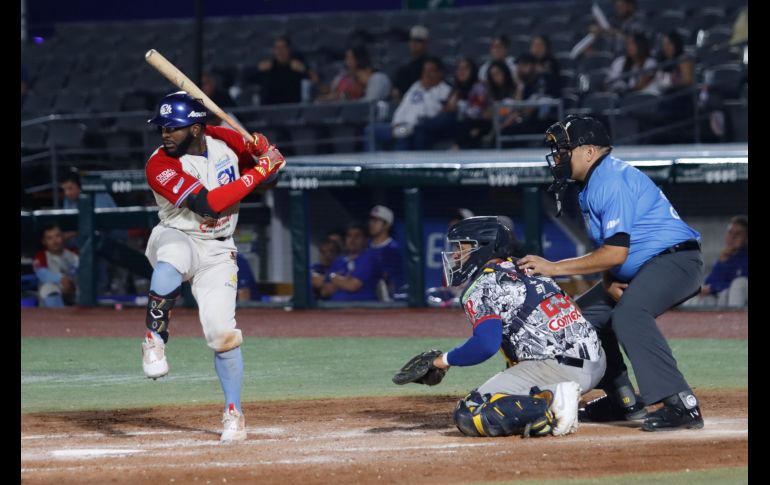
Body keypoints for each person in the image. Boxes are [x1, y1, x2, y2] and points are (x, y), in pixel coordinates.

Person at [517, 115, 705, 431]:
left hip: (677, 261)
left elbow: (615, 252)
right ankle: (623, 400)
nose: (558, 158)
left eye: (565, 150)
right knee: (580, 321)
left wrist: (554, 269)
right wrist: (609, 278)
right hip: (644, 267)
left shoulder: (611, 179)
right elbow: (613, 253)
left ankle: (681, 404)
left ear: (589, 151)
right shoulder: (592, 184)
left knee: (630, 315)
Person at [141, 91, 286, 441]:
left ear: (196, 128)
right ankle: (154, 338)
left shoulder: (225, 138)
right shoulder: (159, 164)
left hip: (219, 249)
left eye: (173, 128)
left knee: (222, 333)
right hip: (178, 234)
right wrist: (261, 169)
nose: (164, 134)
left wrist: (267, 157)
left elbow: (269, 176)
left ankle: (233, 413)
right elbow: (210, 205)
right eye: (162, 128)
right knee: (171, 258)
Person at [425, 216, 606, 437]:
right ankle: (620, 400)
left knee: (471, 412)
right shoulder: (528, 266)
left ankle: (554, 397)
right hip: (598, 362)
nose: (455, 254)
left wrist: (442, 361)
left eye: (461, 247)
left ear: (482, 248)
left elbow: (485, 345)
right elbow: (574, 309)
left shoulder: (482, 285)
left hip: (562, 372)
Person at [367, 57, 451, 151]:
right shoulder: (416, 86)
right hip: (400, 126)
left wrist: (427, 92)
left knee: (403, 135)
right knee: (370, 130)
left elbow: (434, 112)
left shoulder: (444, 90)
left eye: (430, 71)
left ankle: (400, 164)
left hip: (415, 128)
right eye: (425, 70)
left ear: (439, 73)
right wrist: (396, 122)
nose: (426, 74)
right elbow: (403, 106)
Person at [686, 216, 748, 308]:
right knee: (703, 296)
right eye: (730, 233)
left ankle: (735, 318)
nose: (732, 237)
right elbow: (710, 282)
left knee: (739, 283)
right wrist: (722, 261)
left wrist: (713, 288)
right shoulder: (727, 256)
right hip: (724, 296)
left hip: (740, 298)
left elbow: (739, 278)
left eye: (738, 234)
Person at [319, 222, 382, 301]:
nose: (352, 240)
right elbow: (325, 291)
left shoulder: (369, 258)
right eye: (349, 236)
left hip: (362, 309)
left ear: (366, 240)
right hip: (335, 309)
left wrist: (333, 277)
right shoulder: (338, 261)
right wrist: (344, 281)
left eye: (357, 236)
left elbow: (352, 286)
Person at [32, 224, 79, 307]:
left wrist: (70, 282)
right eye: (50, 238)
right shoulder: (40, 256)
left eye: (58, 236)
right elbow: (42, 274)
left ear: (63, 237)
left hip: (73, 290)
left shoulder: (73, 253)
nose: (55, 241)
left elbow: (77, 269)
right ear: (44, 241)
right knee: (48, 288)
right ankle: (59, 317)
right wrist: (61, 279)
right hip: (52, 295)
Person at [257, 36, 310, 105]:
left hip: (293, 109)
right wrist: (257, 69)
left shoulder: (297, 66)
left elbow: (315, 80)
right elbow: (246, 79)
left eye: (283, 47)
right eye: (277, 48)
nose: (280, 51)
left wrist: (304, 70)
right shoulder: (267, 68)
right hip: (269, 110)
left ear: (289, 49)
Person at [368, 205, 405, 299]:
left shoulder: (392, 249)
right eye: (371, 220)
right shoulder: (365, 245)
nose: (371, 224)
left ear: (387, 225)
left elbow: (391, 280)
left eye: (376, 221)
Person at [392, 25, 430, 101]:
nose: (414, 43)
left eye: (418, 40)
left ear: (426, 43)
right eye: (412, 40)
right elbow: (396, 93)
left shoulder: (431, 67)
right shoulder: (403, 69)